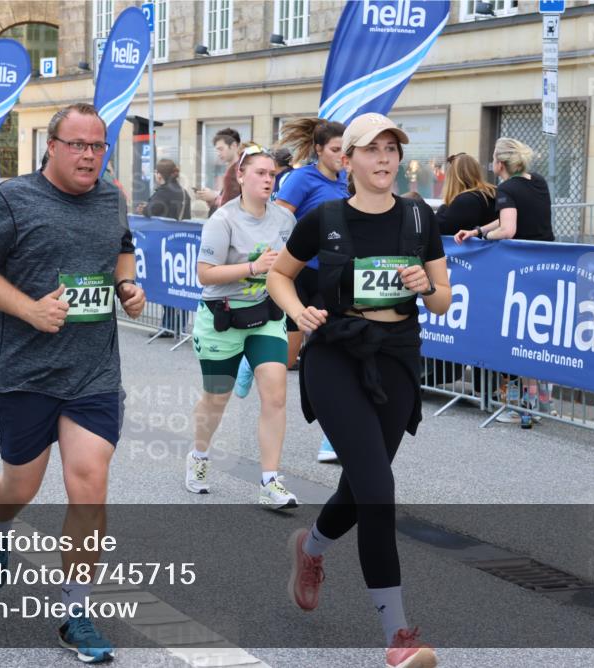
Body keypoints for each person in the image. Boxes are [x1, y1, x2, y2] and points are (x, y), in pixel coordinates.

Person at [0, 102, 146, 664]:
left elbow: (121, 246)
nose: (89, 155)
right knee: (21, 487)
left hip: (93, 370)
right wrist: (30, 310)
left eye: (98, 146)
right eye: (78, 145)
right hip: (25, 369)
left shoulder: (112, 196)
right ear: (53, 146)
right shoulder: (12, 199)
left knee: (89, 480)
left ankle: (76, 611)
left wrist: (128, 285)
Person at [267, 113, 449, 668]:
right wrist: (301, 311)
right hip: (336, 357)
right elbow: (279, 275)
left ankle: (312, 548)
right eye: (372, 150)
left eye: (392, 149)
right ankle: (398, 636)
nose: (385, 158)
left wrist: (427, 285)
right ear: (347, 160)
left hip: (394, 357)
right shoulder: (323, 219)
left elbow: (442, 297)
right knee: (377, 487)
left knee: (361, 485)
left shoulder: (419, 216)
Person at [185, 142, 298, 508]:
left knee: (276, 394)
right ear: (241, 175)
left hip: (265, 315)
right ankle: (199, 456)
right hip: (224, 317)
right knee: (217, 399)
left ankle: (270, 481)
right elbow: (205, 274)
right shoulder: (223, 220)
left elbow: (288, 267)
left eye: (272, 174)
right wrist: (253, 267)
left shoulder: (284, 220)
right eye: (261, 173)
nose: (268, 180)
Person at [261, 117, 349, 462]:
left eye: (346, 150)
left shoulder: (346, 181)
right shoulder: (300, 179)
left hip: (330, 278)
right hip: (298, 274)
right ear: (318, 150)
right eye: (335, 150)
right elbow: (278, 221)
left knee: (332, 357)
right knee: (288, 356)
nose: (343, 156)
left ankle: (332, 439)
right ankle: (250, 357)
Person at [454, 138, 555, 422]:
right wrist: (476, 230)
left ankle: (523, 405)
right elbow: (505, 220)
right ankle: (542, 400)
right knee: (540, 334)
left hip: (522, 270)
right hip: (547, 264)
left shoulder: (506, 188)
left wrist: (485, 237)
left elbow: (507, 229)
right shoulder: (538, 181)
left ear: (499, 164)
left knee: (520, 334)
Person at [138, 158, 193, 338]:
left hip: (165, 245)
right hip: (181, 244)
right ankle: (177, 326)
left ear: (160, 175)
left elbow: (151, 211)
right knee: (178, 287)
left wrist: (144, 210)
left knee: (167, 287)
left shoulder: (164, 192)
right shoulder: (183, 192)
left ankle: (169, 326)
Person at [435, 153, 497, 235]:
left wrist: (444, 206)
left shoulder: (464, 201)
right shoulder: (493, 193)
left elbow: (438, 228)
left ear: (452, 178)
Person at [195, 128, 242, 216]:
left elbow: (239, 203)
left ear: (234, 146)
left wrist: (215, 196)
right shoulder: (231, 169)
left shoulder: (240, 170)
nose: (218, 153)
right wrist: (213, 197)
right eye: (217, 150)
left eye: (221, 149)